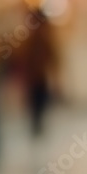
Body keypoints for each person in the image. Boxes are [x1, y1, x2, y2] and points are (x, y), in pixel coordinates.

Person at [20, 8, 58, 138]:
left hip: (40, 78)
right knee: (35, 105)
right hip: (33, 78)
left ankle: (38, 126)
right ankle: (36, 126)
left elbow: (53, 59)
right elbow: (24, 59)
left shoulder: (44, 39)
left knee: (40, 104)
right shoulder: (32, 40)